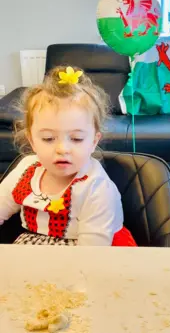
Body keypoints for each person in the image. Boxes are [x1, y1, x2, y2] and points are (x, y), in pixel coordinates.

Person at [0, 66, 136, 246]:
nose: (63, 149)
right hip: (34, 244)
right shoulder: (26, 169)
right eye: (48, 138)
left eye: (76, 139)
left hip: (89, 251)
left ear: (94, 141)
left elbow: (91, 256)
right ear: (32, 140)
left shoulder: (97, 189)